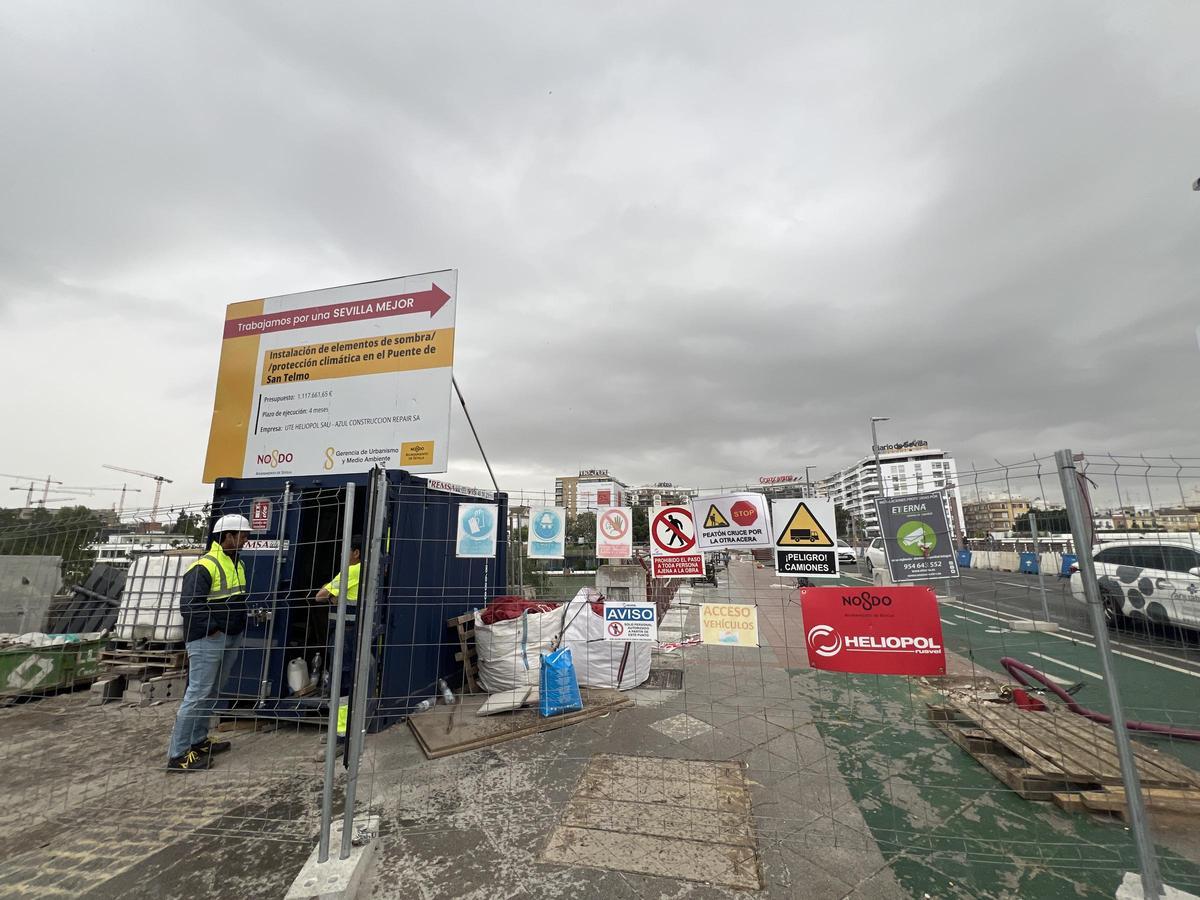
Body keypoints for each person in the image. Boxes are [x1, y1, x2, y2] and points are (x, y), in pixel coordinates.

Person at [166, 514, 251, 773]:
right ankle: (178, 754)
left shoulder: (237, 564)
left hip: (229, 635)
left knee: (212, 691)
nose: (246, 540)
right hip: (208, 639)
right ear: (227, 536)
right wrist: (212, 629)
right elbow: (190, 605)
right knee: (197, 693)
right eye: (242, 535)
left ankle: (198, 741)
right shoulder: (205, 566)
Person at [315, 537, 362, 697]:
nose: (341, 554)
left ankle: (339, 716)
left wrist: (330, 594)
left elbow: (320, 596)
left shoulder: (352, 571)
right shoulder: (367, 570)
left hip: (345, 631)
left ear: (356, 553)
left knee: (342, 674)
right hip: (355, 629)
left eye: (345, 550)